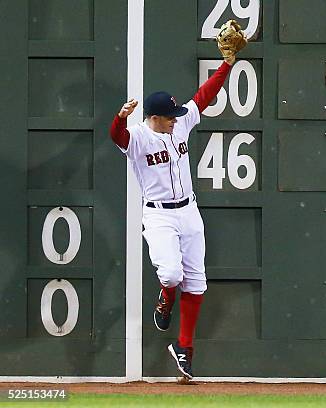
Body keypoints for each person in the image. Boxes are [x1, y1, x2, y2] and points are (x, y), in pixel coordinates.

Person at [109, 50, 236, 380]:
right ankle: (165, 298)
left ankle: (184, 349)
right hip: (159, 215)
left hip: (189, 210)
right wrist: (120, 118)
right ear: (154, 117)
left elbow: (203, 97)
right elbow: (117, 136)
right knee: (170, 275)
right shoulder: (138, 137)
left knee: (197, 282)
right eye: (169, 116)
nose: (176, 119)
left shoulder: (178, 126)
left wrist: (227, 65)